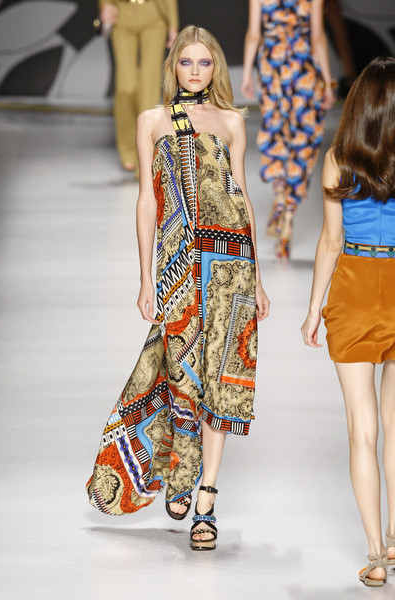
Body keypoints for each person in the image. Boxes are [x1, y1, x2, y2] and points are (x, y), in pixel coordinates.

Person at [87, 25, 270, 551]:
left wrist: (256, 278)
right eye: (186, 62)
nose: (195, 71)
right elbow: (148, 201)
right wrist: (146, 276)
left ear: (216, 68)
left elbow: (241, 196)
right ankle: (180, 471)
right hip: (180, 265)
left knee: (221, 379)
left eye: (204, 62)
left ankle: (205, 499)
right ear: (173, 67)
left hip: (230, 265)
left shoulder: (233, 121)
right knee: (179, 371)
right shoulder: (153, 121)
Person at [301, 57, 395, 586]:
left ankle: (376, 555)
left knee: (363, 431)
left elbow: (331, 241)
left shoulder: (338, 159)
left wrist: (314, 310)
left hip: (354, 290)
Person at [242, 0, 336, 259]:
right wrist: (328, 82)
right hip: (303, 66)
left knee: (276, 135)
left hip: (272, 68)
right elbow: (317, 36)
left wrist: (247, 73)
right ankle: (289, 216)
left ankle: (280, 196)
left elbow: (254, 33)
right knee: (303, 138)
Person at [99, 0, 179, 172]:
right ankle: (128, 147)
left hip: (154, 12)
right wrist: (104, 4)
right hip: (122, 12)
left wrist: (173, 25)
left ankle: (145, 156)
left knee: (149, 87)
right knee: (126, 86)